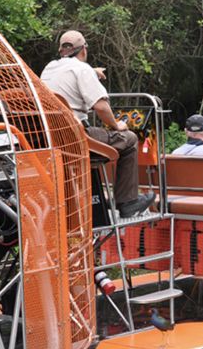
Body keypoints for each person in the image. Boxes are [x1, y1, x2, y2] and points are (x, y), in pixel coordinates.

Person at [41, 30, 155, 218]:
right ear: (84, 50)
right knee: (129, 139)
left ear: (62, 51)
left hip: (53, 138)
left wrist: (91, 73)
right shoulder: (82, 69)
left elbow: (69, 75)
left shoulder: (49, 68)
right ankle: (128, 202)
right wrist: (116, 125)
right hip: (77, 138)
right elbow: (101, 107)